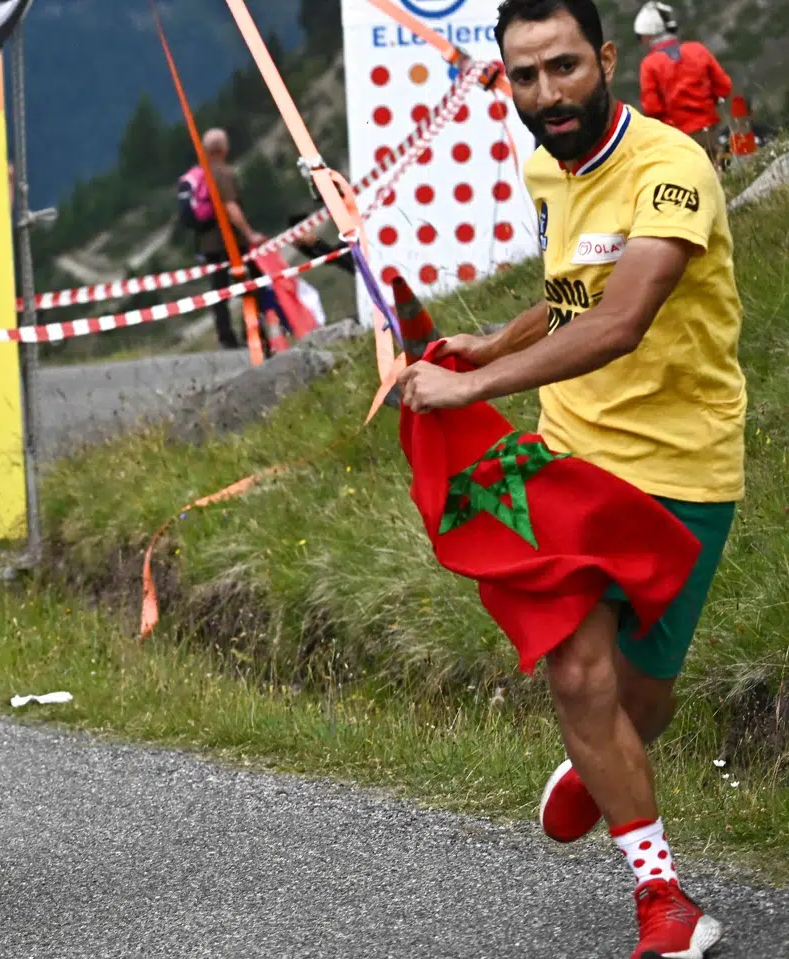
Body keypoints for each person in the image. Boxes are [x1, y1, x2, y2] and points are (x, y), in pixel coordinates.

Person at [394, 1, 742, 956]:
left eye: (564, 67)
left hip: (684, 465)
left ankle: (606, 762)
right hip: (571, 455)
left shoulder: (673, 170)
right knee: (578, 671)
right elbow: (568, 299)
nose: (547, 94)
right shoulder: (547, 165)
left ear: (608, 60)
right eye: (525, 75)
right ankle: (663, 900)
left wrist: (473, 383)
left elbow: (621, 319)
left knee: (645, 698)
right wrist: (487, 343)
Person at [194, 128, 277, 351]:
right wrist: (250, 234)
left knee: (218, 292)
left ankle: (226, 338)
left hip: (208, 244)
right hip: (232, 243)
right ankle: (253, 332)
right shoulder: (223, 174)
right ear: (224, 148)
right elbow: (231, 207)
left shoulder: (200, 174)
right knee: (251, 286)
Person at [633, 2, 732, 164]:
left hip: (679, 139)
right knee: (718, 171)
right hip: (710, 130)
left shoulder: (649, 64)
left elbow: (652, 108)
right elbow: (724, 86)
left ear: (648, 35)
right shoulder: (697, 49)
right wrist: (709, 104)